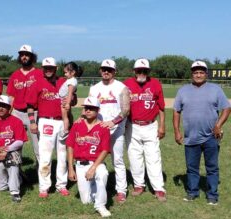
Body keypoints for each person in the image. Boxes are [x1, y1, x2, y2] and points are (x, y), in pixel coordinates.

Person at [173, 60, 231, 205]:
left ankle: (212, 195)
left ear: (206, 74)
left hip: (211, 136)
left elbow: (226, 108)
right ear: (192, 74)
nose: (198, 75)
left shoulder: (215, 89)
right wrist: (176, 131)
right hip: (190, 136)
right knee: (192, 167)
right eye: (195, 72)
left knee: (212, 167)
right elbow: (176, 111)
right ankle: (192, 192)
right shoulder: (183, 90)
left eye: (201, 72)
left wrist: (218, 125)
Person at [26, 57, 70, 198]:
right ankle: (44, 187)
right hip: (45, 121)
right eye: (46, 68)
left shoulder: (63, 82)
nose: (48, 70)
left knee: (62, 155)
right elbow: (30, 106)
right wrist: (32, 122)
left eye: (51, 68)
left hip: (62, 121)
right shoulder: (37, 83)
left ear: (56, 68)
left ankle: (61, 185)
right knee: (45, 156)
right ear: (42, 68)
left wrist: (72, 99)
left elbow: (72, 99)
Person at [124, 59, 166, 202]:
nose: (142, 73)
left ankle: (158, 188)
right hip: (132, 125)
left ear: (149, 72)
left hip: (150, 125)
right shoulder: (127, 84)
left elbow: (161, 107)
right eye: (139, 70)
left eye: (145, 71)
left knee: (153, 157)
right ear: (134, 71)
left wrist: (162, 125)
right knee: (134, 157)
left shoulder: (155, 83)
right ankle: (139, 185)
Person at [88, 59, 130, 204]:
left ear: (114, 72)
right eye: (104, 69)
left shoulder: (121, 87)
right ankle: (94, 187)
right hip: (98, 130)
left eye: (109, 70)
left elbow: (125, 110)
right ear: (100, 70)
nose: (106, 72)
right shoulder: (94, 89)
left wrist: (113, 122)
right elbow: (90, 108)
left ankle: (121, 190)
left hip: (116, 130)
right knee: (94, 159)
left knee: (117, 160)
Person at [66, 97, 111, 217]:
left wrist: (93, 168)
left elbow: (105, 150)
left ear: (98, 110)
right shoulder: (77, 125)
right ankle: (95, 189)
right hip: (80, 165)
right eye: (86, 108)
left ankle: (100, 205)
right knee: (86, 201)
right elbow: (70, 146)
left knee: (102, 174)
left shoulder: (103, 128)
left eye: (92, 108)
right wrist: (71, 169)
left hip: (96, 163)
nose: (88, 110)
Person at [7, 45, 44, 163]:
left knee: (38, 147)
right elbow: (11, 96)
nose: (24, 57)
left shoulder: (40, 74)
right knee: (15, 147)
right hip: (17, 112)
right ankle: (17, 175)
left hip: (34, 113)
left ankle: (42, 177)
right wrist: (9, 114)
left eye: (27, 54)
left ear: (32, 57)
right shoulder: (15, 75)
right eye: (22, 54)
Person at [58, 61, 83, 140]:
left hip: (64, 101)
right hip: (65, 99)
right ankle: (71, 127)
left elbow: (69, 93)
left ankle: (65, 131)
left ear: (73, 72)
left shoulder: (71, 81)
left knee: (64, 116)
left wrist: (68, 103)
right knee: (68, 115)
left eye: (66, 72)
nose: (64, 74)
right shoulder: (72, 80)